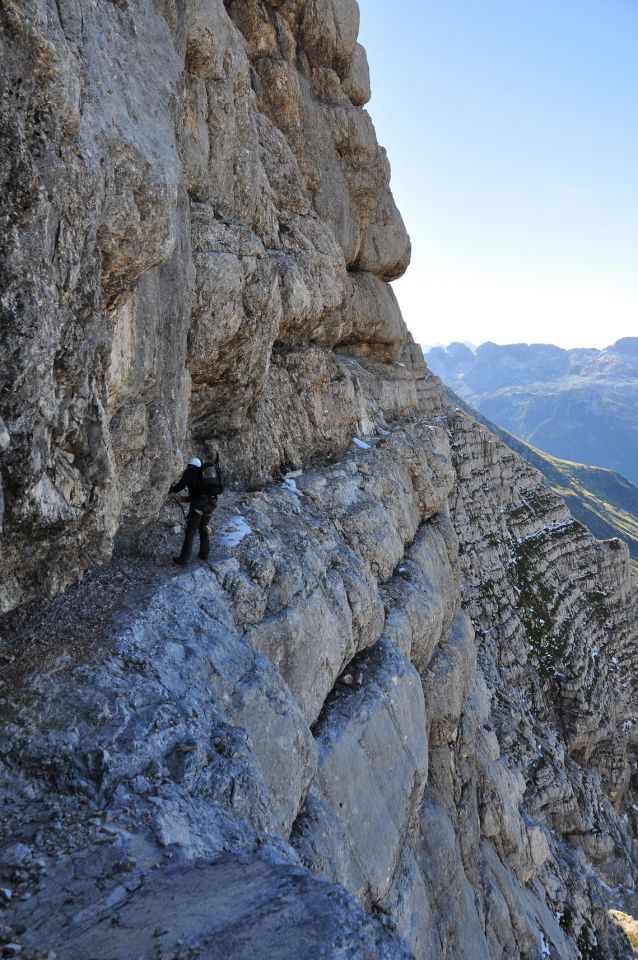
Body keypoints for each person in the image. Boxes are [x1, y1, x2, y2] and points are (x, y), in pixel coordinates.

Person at [169, 454, 224, 566]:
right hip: (212, 504)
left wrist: (173, 491)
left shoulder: (191, 472)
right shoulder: (204, 480)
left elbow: (181, 485)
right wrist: (182, 499)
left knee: (191, 531)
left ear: (190, 465)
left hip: (200, 505)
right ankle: (204, 555)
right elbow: (195, 496)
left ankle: (184, 559)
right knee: (203, 528)